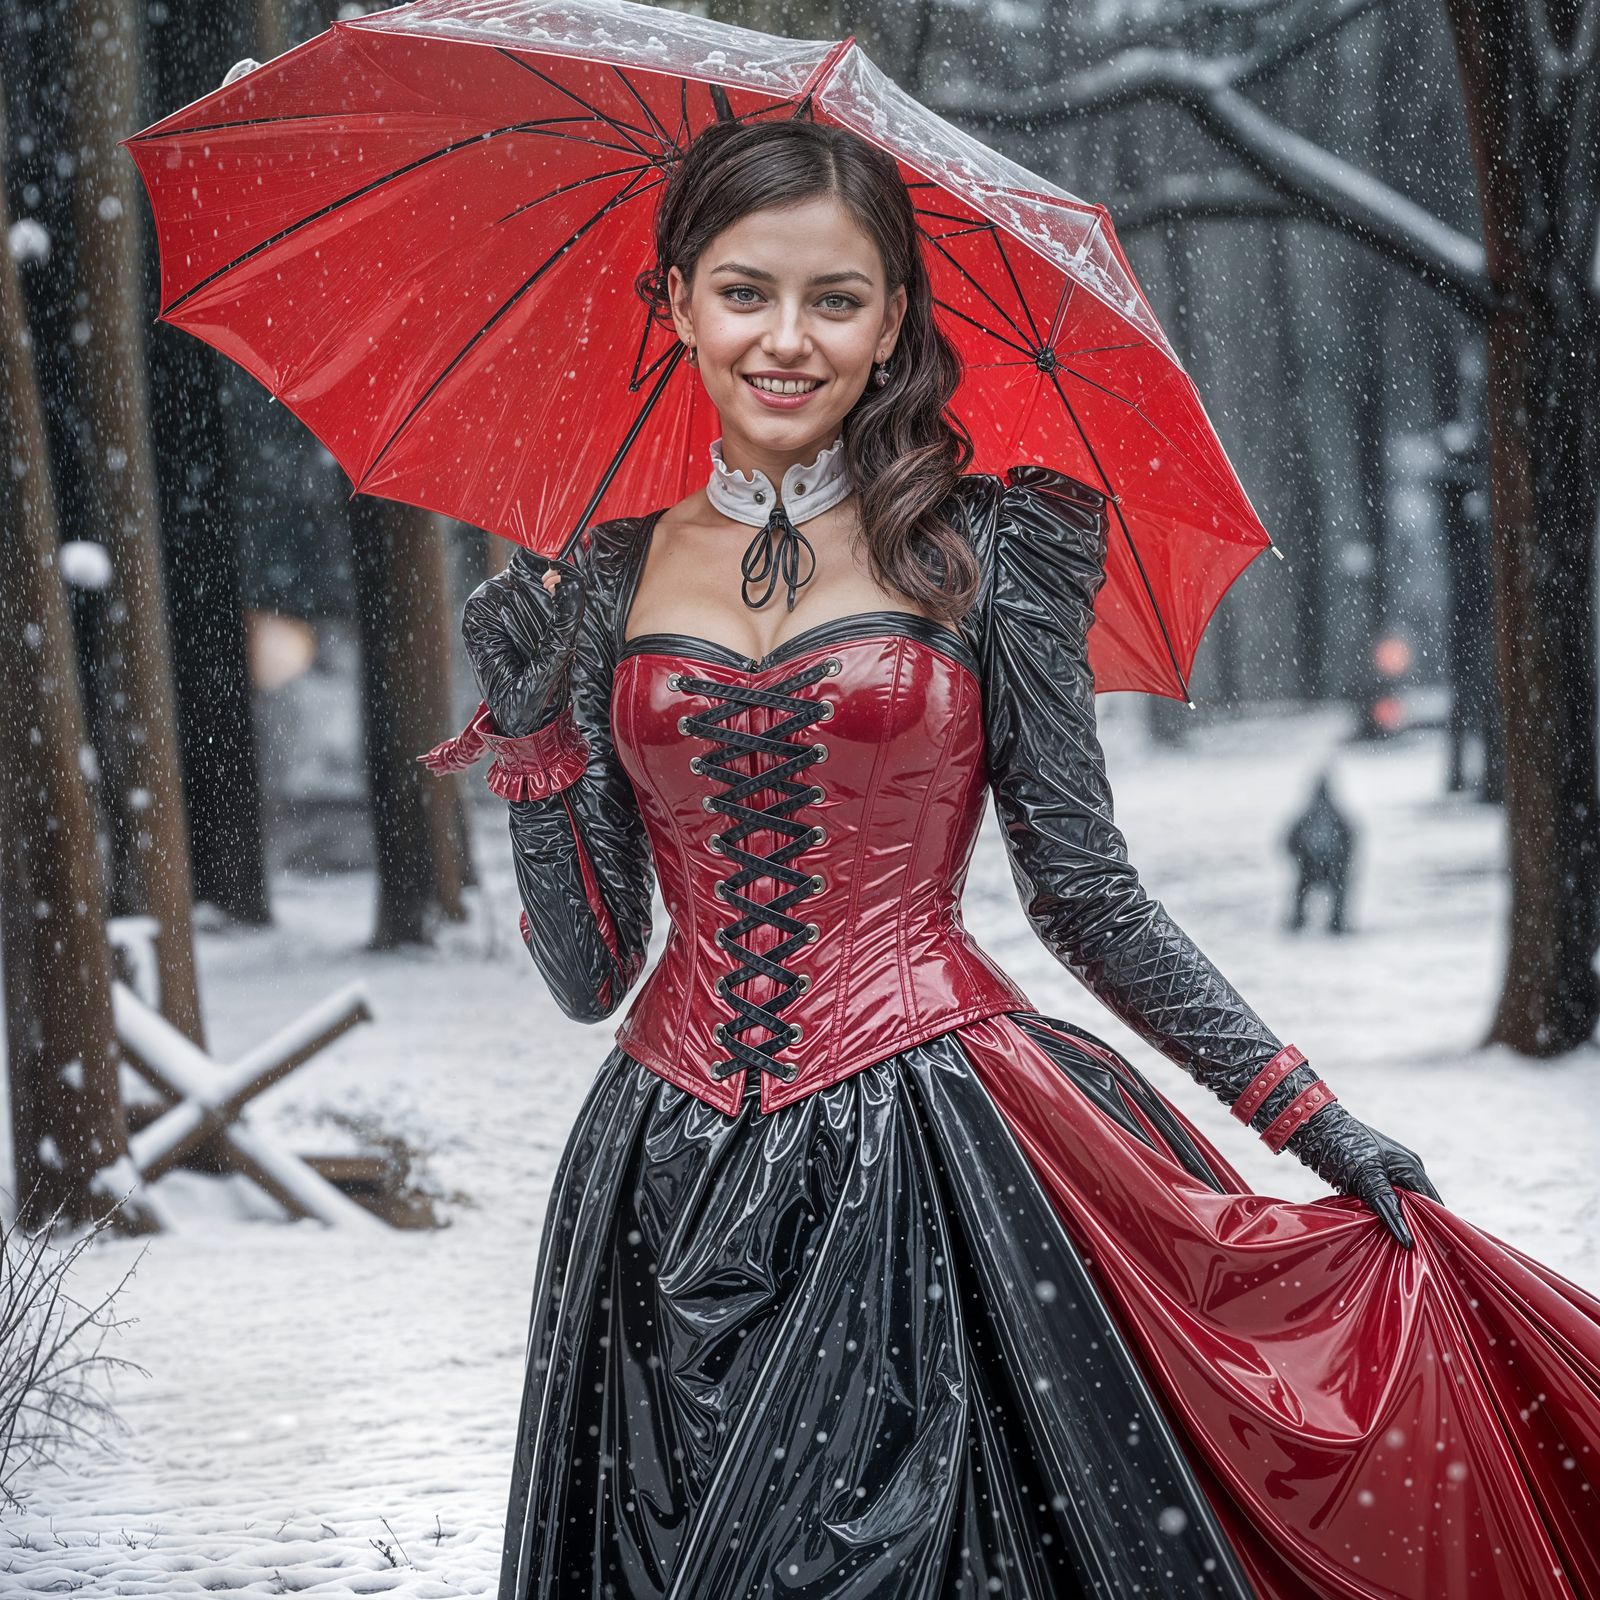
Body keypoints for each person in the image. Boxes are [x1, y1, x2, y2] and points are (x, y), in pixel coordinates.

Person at [425, 119, 1600, 1600]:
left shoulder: (990, 551)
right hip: (658, 1179)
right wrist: (534, 743)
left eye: (836, 298)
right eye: (744, 292)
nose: (786, 339)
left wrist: (1307, 1118)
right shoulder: (601, 579)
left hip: (921, 1165)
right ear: (675, 302)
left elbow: (1087, 896)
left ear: (893, 321)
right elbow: (593, 973)